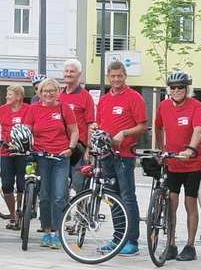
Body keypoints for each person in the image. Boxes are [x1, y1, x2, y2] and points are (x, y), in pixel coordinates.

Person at [152, 70, 201, 262]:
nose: (176, 91)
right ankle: (171, 244)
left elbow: (199, 129)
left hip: (192, 163)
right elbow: (157, 126)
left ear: (187, 89)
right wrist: (160, 149)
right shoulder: (164, 106)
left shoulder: (196, 106)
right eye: (173, 87)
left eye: (180, 87)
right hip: (173, 162)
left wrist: (190, 149)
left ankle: (190, 246)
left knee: (189, 202)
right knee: (171, 204)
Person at [96, 60, 146, 255]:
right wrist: (95, 129)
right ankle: (118, 238)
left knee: (127, 196)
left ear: (125, 76)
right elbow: (100, 124)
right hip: (106, 154)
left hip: (124, 156)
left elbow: (142, 126)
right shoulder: (105, 99)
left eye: (120, 76)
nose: (116, 79)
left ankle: (132, 241)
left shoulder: (134, 97)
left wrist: (124, 133)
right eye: (113, 76)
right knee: (112, 197)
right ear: (108, 77)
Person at [25, 77, 78, 248]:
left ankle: (58, 232)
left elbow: (74, 131)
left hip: (61, 157)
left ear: (57, 92)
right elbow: (26, 131)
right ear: (39, 93)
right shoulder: (33, 109)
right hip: (41, 156)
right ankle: (46, 231)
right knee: (44, 196)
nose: (48, 94)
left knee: (59, 196)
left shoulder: (64, 108)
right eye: (45, 91)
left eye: (52, 90)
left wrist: (70, 148)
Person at [0, 85, 31, 231]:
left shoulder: (28, 109)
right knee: (7, 185)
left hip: (23, 153)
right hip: (6, 152)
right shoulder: (3, 109)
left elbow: (31, 128)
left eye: (9, 94)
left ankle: (21, 212)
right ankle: (12, 215)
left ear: (18, 96)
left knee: (22, 184)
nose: (6, 97)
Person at [59, 60, 96, 194]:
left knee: (79, 185)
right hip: (60, 147)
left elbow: (91, 124)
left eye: (72, 71)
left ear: (79, 74)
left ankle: (82, 213)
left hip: (79, 149)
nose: (68, 74)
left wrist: (89, 150)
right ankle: (64, 214)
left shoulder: (85, 97)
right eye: (66, 71)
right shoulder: (59, 96)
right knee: (60, 187)